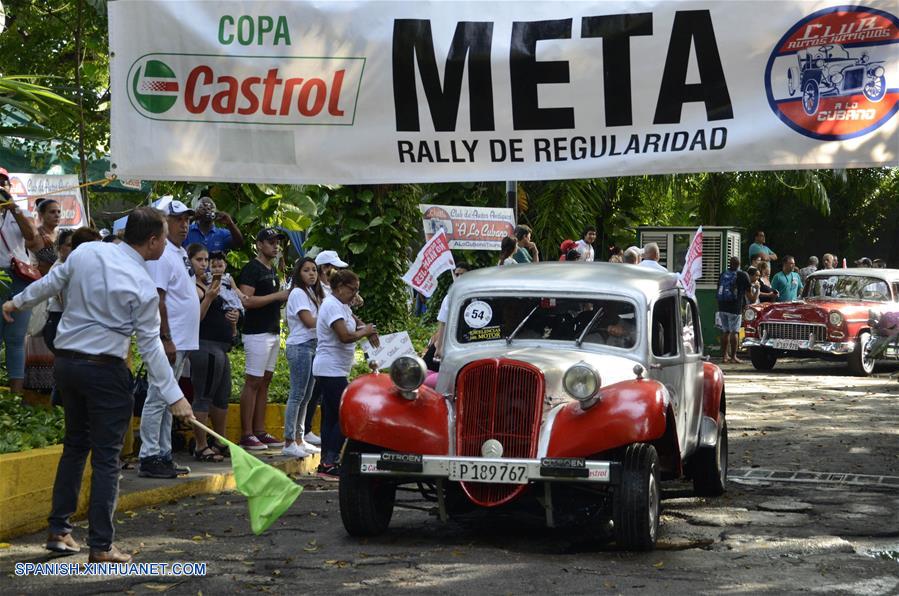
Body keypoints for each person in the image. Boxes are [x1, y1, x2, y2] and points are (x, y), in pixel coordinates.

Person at [2, 207, 194, 564]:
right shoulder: (142, 286)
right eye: (164, 237)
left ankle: (59, 530)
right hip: (106, 372)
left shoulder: (87, 251)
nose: (166, 243)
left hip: (68, 366)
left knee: (75, 446)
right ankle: (102, 545)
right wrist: (175, 397)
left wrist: (15, 301)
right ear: (152, 241)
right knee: (106, 458)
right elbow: (150, 346)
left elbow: (49, 283)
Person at [138, 199, 200, 479]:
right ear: (164, 221)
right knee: (158, 396)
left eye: (187, 220)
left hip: (182, 339)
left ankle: (162, 454)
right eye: (178, 220)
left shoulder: (178, 252)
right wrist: (165, 337)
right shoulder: (162, 255)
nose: (184, 225)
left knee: (168, 398)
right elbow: (157, 298)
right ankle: (150, 455)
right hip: (170, 339)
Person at [312, 269, 379, 479]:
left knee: (332, 416)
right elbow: (345, 336)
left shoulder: (341, 305)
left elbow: (355, 323)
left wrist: (367, 329)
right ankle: (330, 460)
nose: (355, 294)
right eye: (353, 290)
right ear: (340, 288)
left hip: (335, 369)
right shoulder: (332, 305)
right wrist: (365, 332)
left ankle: (326, 463)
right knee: (347, 414)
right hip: (329, 369)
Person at [237, 228, 290, 450]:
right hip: (256, 332)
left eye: (277, 242)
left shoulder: (273, 270)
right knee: (253, 381)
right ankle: (247, 433)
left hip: (272, 331)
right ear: (259, 244)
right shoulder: (252, 269)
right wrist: (277, 296)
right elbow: (246, 301)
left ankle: (260, 430)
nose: (275, 246)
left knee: (265, 381)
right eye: (270, 242)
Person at [186, 243, 238, 463]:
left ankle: (219, 440)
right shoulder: (191, 286)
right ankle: (200, 445)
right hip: (203, 346)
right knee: (204, 395)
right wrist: (208, 297)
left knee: (221, 395)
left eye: (206, 260)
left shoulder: (214, 284)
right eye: (200, 260)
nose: (205, 264)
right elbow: (195, 318)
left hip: (220, 347)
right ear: (189, 261)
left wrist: (234, 321)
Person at [0, 168, 41, 394]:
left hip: (19, 278)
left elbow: (32, 237)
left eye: (3, 183)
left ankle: (16, 399)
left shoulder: (20, 211)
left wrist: (13, 207)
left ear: (9, 187)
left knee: (16, 340)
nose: (0, 187)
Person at [282, 257, 325, 458]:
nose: (311, 273)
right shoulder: (298, 293)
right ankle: (289, 441)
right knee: (297, 395)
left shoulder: (311, 293)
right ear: (299, 273)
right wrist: (329, 320)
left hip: (311, 346)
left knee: (306, 396)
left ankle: (299, 439)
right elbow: (308, 321)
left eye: (314, 270)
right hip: (300, 346)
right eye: (306, 270)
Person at [431, 262, 471, 362]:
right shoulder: (449, 298)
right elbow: (443, 323)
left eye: (463, 274)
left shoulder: (477, 295)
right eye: (457, 274)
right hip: (450, 340)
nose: (459, 277)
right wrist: (439, 347)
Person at [715, 256, 751, 363]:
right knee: (734, 332)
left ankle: (724, 356)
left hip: (722, 306)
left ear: (730, 264)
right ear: (739, 264)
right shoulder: (743, 275)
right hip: (735, 307)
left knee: (725, 331)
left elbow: (719, 289)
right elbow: (750, 294)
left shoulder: (723, 274)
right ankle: (734, 356)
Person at [33, 198, 63, 276]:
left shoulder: (61, 234)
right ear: (41, 214)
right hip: (41, 281)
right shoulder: (36, 235)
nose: (57, 215)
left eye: (59, 212)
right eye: (52, 212)